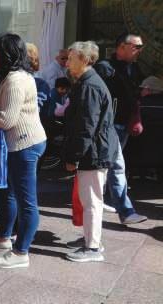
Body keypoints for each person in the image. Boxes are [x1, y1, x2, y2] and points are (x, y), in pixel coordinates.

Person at [0, 33, 47, 269]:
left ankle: (21, 252)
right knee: (6, 192)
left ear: (4, 54)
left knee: (27, 200)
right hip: (17, 143)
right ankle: (4, 238)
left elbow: (7, 120)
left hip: (24, 144)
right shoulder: (12, 76)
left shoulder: (16, 80)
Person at [63, 41, 119, 263]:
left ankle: (93, 247)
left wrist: (73, 157)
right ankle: (90, 238)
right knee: (90, 199)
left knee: (92, 200)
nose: (67, 62)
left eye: (71, 58)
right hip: (96, 150)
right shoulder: (88, 83)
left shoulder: (89, 86)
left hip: (94, 153)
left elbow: (86, 127)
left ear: (84, 59)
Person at [93, 32, 148, 225]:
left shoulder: (134, 68)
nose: (140, 51)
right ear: (121, 47)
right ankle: (126, 211)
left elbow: (132, 91)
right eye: (136, 46)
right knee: (117, 166)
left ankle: (97, 200)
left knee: (108, 165)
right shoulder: (105, 68)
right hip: (110, 125)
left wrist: (141, 91)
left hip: (124, 123)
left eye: (141, 47)